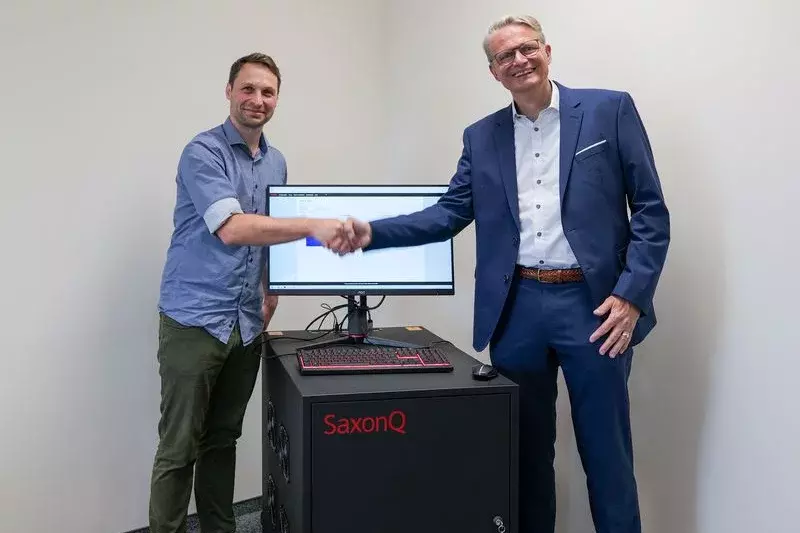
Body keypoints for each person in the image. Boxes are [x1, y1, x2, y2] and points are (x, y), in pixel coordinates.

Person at [332, 15, 669, 533]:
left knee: (607, 456)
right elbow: (447, 214)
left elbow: (649, 211)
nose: (519, 61)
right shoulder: (481, 136)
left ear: (547, 50)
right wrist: (370, 232)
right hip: (518, 311)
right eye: (504, 57)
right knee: (524, 457)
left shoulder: (608, 110)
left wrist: (632, 295)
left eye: (526, 49)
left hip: (595, 308)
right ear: (493, 72)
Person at [149, 53, 344, 533]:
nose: (258, 100)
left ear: (277, 99)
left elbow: (268, 236)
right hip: (195, 318)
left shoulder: (275, 161)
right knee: (179, 447)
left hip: (246, 322)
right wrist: (314, 225)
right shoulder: (203, 152)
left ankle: (221, 527)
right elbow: (234, 229)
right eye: (249, 89)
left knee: (222, 439)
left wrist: (272, 288)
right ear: (230, 91)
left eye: (268, 92)